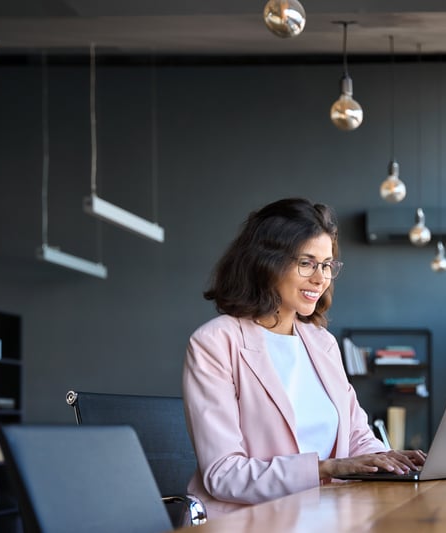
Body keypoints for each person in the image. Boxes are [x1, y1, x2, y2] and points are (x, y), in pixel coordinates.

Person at [182, 197, 426, 516]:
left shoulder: (322, 343)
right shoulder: (215, 343)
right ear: (266, 262)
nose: (320, 278)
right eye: (307, 263)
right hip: (255, 520)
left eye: (326, 265)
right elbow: (224, 475)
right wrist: (327, 468)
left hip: (332, 515)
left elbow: (357, 437)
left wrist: (390, 462)